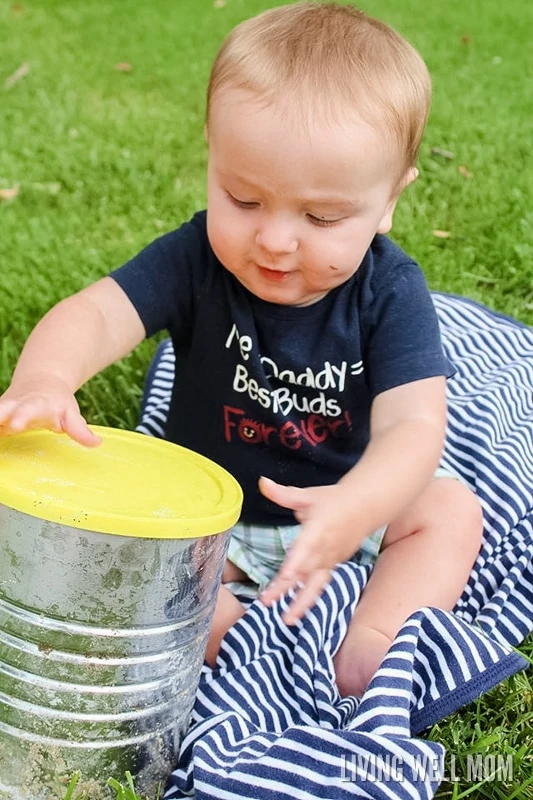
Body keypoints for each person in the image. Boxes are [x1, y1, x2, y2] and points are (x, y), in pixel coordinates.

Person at [0, 2, 483, 697]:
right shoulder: (195, 259)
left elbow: (414, 427)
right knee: (124, 547)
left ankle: (373, 643)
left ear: (386, 202)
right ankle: (223, 633)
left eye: (320, 217)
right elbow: (97, 314)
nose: (275, 240)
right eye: (243, 198)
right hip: (207, 519)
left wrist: (356, 504)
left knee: (449, 511)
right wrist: (47, 377)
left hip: (346, 508)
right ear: (212, 158)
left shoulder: (389, 291)